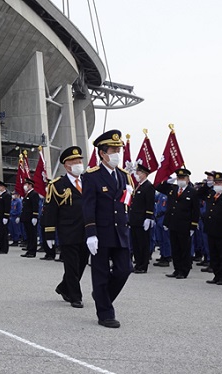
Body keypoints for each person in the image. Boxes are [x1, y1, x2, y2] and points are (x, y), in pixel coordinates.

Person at [82, 129, 134, 328]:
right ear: (102, 153)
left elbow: (126, 203)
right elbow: (88, 206)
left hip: (120, 231)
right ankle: (105, 313)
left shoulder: (124, 176)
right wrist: (91, 233)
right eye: (112, 149)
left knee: (124, 269)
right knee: (101, 274)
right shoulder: (91, 176)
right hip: (101, 232)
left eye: (118, 149)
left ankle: (102, 296)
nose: (116, 154)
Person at [45, 146, 89, 308]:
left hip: (86, 230)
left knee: (82, 262)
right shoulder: (57, 185)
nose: (79, 163)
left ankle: (64, 287)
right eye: (74, 161)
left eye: (80, 160)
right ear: (66, 165)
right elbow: (50, 211)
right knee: (71, 264)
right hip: (68, 231)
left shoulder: (88, 181)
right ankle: (75, 296)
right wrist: (49, 234)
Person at [156, 168, 200, 279]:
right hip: (173, 223)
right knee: (175, 248)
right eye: (179, 178)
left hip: (185, 225)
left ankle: (184, 270)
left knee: (184, 248)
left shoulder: (192, 191)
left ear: (188, 179)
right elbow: (158, 187)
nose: (181, 180)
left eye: (183, 178)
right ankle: (177, 269)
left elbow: (195, 210)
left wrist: (193, 226)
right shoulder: (173, 189)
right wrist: (168, 181)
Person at [200, 172, 222, 285]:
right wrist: (207, 185)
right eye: (215, 182)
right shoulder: (211, 194)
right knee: (214, 253)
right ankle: (217, 275)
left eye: (219, 182)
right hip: (211, 229)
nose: (216, 185)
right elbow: (199, 194)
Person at [129, 163, 155, 273]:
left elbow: (149, 203)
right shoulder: (138, 186)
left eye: (138, 172)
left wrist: (148, 217)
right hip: (135, 220)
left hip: (142, 219)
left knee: (143, 244)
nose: (136, 174)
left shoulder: (148, 186)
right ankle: (138, 264)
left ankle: (143, 266)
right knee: (136, 244)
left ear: (144, 174)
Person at [20, 178, 39, 258]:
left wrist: (35, 216)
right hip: (26, 218)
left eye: (27, 184)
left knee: (32, 235)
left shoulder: (34, 194)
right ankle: (29, 250)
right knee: (28, 234)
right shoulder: (27, 194)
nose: (25, 186)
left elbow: (35, 206)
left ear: (31, 185)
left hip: (31, 218)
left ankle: (32, 251)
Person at [0, 181, 11, 254]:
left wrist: (6, 216)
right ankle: (1, 248)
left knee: (4, 233)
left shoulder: (6, 195)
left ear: (3, 187)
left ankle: (4, 249)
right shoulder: (0, 195)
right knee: (0, 233)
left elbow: (7, 206)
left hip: (3, 216)